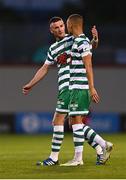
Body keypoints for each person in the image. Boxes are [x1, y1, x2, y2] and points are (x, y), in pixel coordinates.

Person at [22, 16, 112, 166]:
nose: (60, 29)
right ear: (51, 31)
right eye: (56, 27)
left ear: (65, 26)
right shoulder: (52, 49)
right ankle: (98, 147)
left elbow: (88, 48)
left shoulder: (73, 39)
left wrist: (95, 40)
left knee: (73, 122)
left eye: (62, 25)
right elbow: (44, 68)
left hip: (76, 87)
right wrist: (31, 84)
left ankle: (59, 157)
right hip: (64, 88)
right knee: (66, 122)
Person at [60, 14, 113, 166]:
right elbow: (90, 48)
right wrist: (95, 40)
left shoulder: (81, 41)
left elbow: (88, 64)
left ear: (71, 25)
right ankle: (101, 146)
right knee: (74, 123)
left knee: (76, 123)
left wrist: (91, 88)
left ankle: (80, 158)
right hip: (76, 87)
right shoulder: (81, 41)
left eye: (67, 25)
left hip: (80, 87)